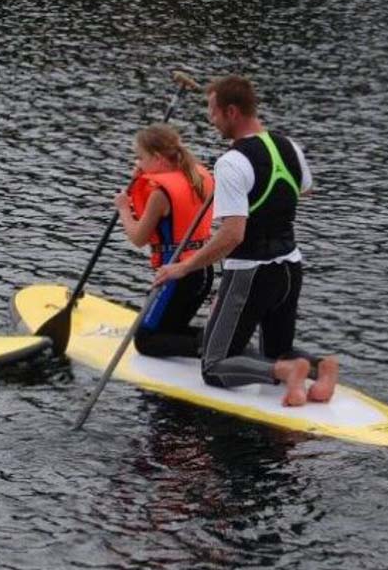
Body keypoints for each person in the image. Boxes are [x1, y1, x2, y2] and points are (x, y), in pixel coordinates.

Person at [152, 75, 339, 406]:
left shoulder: (232, 162)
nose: (211, 120)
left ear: (232, 112)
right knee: (275, 348)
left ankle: (285, 372)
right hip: (290, 266)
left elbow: (232, 235)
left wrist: (183, 267)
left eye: (213, 112)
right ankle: (319, 367)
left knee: (213, 365)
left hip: (251, 273)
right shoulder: (288, 146)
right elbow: (303, 188)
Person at [114, 124, 215, 358]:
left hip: (177, 274)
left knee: (146, 340)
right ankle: (222, 341)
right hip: (203, 269)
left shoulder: (160, 193)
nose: (138, 164)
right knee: (172, 329)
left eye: (141, 158)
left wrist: (123, 208)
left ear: (158, 158)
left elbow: (138, 237)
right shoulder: (196, 176)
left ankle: (213, 348)